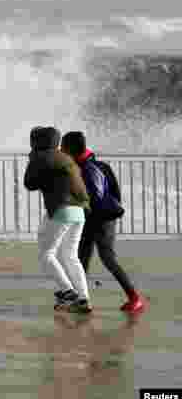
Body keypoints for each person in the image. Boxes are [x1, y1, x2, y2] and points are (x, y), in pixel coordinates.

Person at [60, 131, 147, 314]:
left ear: (71, 149)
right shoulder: (99, 166)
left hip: (100, 220)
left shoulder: (86, 168)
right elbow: (115, 193)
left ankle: (134, 298)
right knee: (81, 257)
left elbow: (92, 197)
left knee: (107, 258)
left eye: (63, 147)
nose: (61, 150)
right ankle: (80, 299)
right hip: (93, 219)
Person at [24, 126, 92, 313]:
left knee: (46, 254)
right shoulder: (66, 157)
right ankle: (83, 298)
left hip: (61, 210)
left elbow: (29, 183)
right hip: (80, 211)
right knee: (70, 256)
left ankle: (67, 291)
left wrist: (34, 161)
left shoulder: (40, 156)